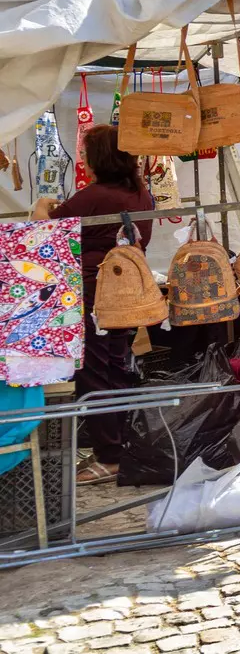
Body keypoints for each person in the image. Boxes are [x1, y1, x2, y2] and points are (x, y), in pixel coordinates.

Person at [35, 125, 151, 484]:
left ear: (99, 157)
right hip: (126, 292)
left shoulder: (94, 196)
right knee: (116, 367)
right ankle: (122, 446)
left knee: (93, 372)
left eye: (86, 153)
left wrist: (41, 204)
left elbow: (44, 234)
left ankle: (110, 455)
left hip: (93, 293)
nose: (82, 158)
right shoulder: (140, 194)